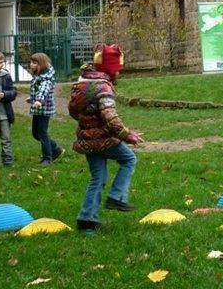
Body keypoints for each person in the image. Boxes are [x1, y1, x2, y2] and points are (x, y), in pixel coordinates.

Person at [69, 44, 142, 233]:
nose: (119, 73)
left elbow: (73, 112)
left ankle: (86, 221)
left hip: (86, 138)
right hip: (103, 139)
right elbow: (110, 118)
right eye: (118, 69)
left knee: (98, 178)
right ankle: (117, 197)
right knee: (129, 159)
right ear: (111, 69)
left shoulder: (82, 83)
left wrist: (89, 123)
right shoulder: (103, 87)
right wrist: (127, 135)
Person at [26, 52, 64, 166]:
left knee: (42, 133)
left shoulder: (46, 79)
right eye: (31, 62)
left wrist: (38, 100)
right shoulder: (38, 75)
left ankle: (48, 158)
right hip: (38, 108)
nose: (31, 65)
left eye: (34, 63)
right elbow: (37, 90)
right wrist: (32, 98)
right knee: (36, 134)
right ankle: (56, 149)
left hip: (44, 109)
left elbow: (43, 90)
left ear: (41, 64)